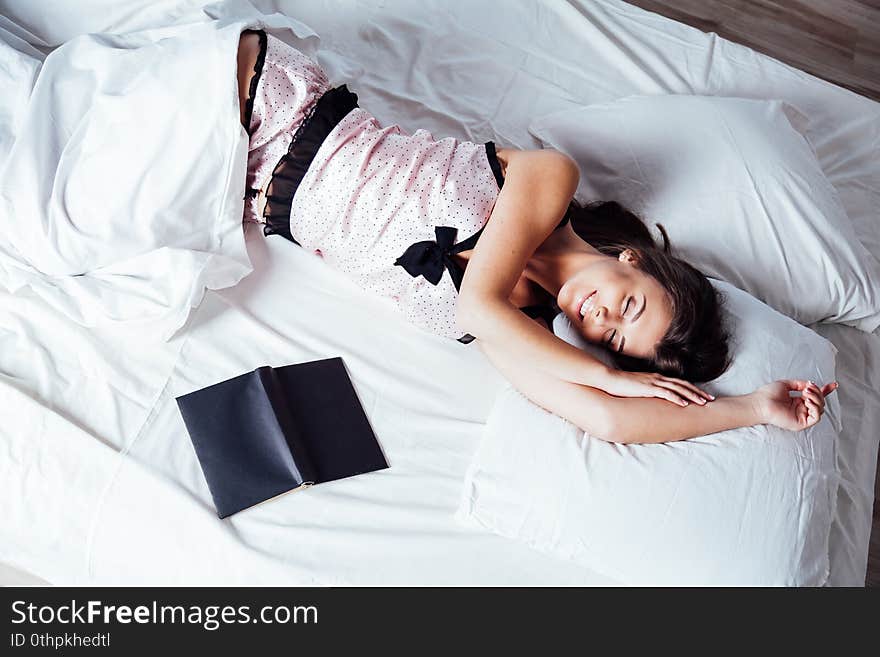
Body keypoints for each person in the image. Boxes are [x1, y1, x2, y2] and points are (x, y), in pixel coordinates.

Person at [234, 29, 837, 444]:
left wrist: (753, 409)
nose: (601, 320)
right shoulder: (552, 180)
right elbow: (476, 302)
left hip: (243, 197)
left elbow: (609, 422)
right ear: (634, 260)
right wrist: (607, 372)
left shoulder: (516, 331)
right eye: (628, 304)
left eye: (613, 339)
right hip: (273, 108)